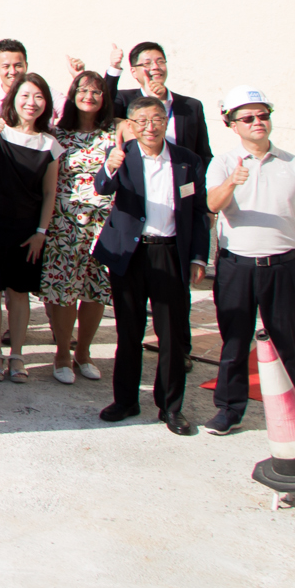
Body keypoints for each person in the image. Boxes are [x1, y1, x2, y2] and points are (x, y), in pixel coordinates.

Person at [204, 86, 295, 435]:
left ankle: (292, 416)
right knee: (235, 343)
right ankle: (228, 410)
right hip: (236, 266)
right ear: (232, 124)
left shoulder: (294, 164)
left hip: (282, 266)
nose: (258, 122)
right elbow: (212, 205)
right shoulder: (224, 163)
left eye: (263, 115)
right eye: (248, 118)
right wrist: (233, 182)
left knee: (286, 344)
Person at [93, 95, 211, 433]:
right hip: (130, 254)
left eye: (157, 118)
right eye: (141, 120)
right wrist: (111, 164)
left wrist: (198, 256)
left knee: (171, 335)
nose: (150, 126)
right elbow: (103, 187)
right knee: (128, 331)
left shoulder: (187, 160)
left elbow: (200, 212)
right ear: (130, 125)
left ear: (166, 121)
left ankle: (171, 407)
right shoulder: (123, 155)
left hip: (170, 253)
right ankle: (126, 400)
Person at [0, 75, 61, 384]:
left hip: (26, 231)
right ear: (12, 99)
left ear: (46, 103)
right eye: (25, 95)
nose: (31, 103)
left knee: (20, 293)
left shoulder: (50, 145)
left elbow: (50, 193)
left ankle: (17, 355)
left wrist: (41, 232)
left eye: (38, 97)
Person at [40, 70, 123, 384]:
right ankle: (62, 351)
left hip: (104, 224)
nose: (89, 96)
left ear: (105, 99)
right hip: (65, 224)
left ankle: (83, 352)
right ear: (73, 96)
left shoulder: (115, 131)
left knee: (95, 291)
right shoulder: (57, 135)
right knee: (63, 291)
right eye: (83, 90)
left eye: (96, 91)